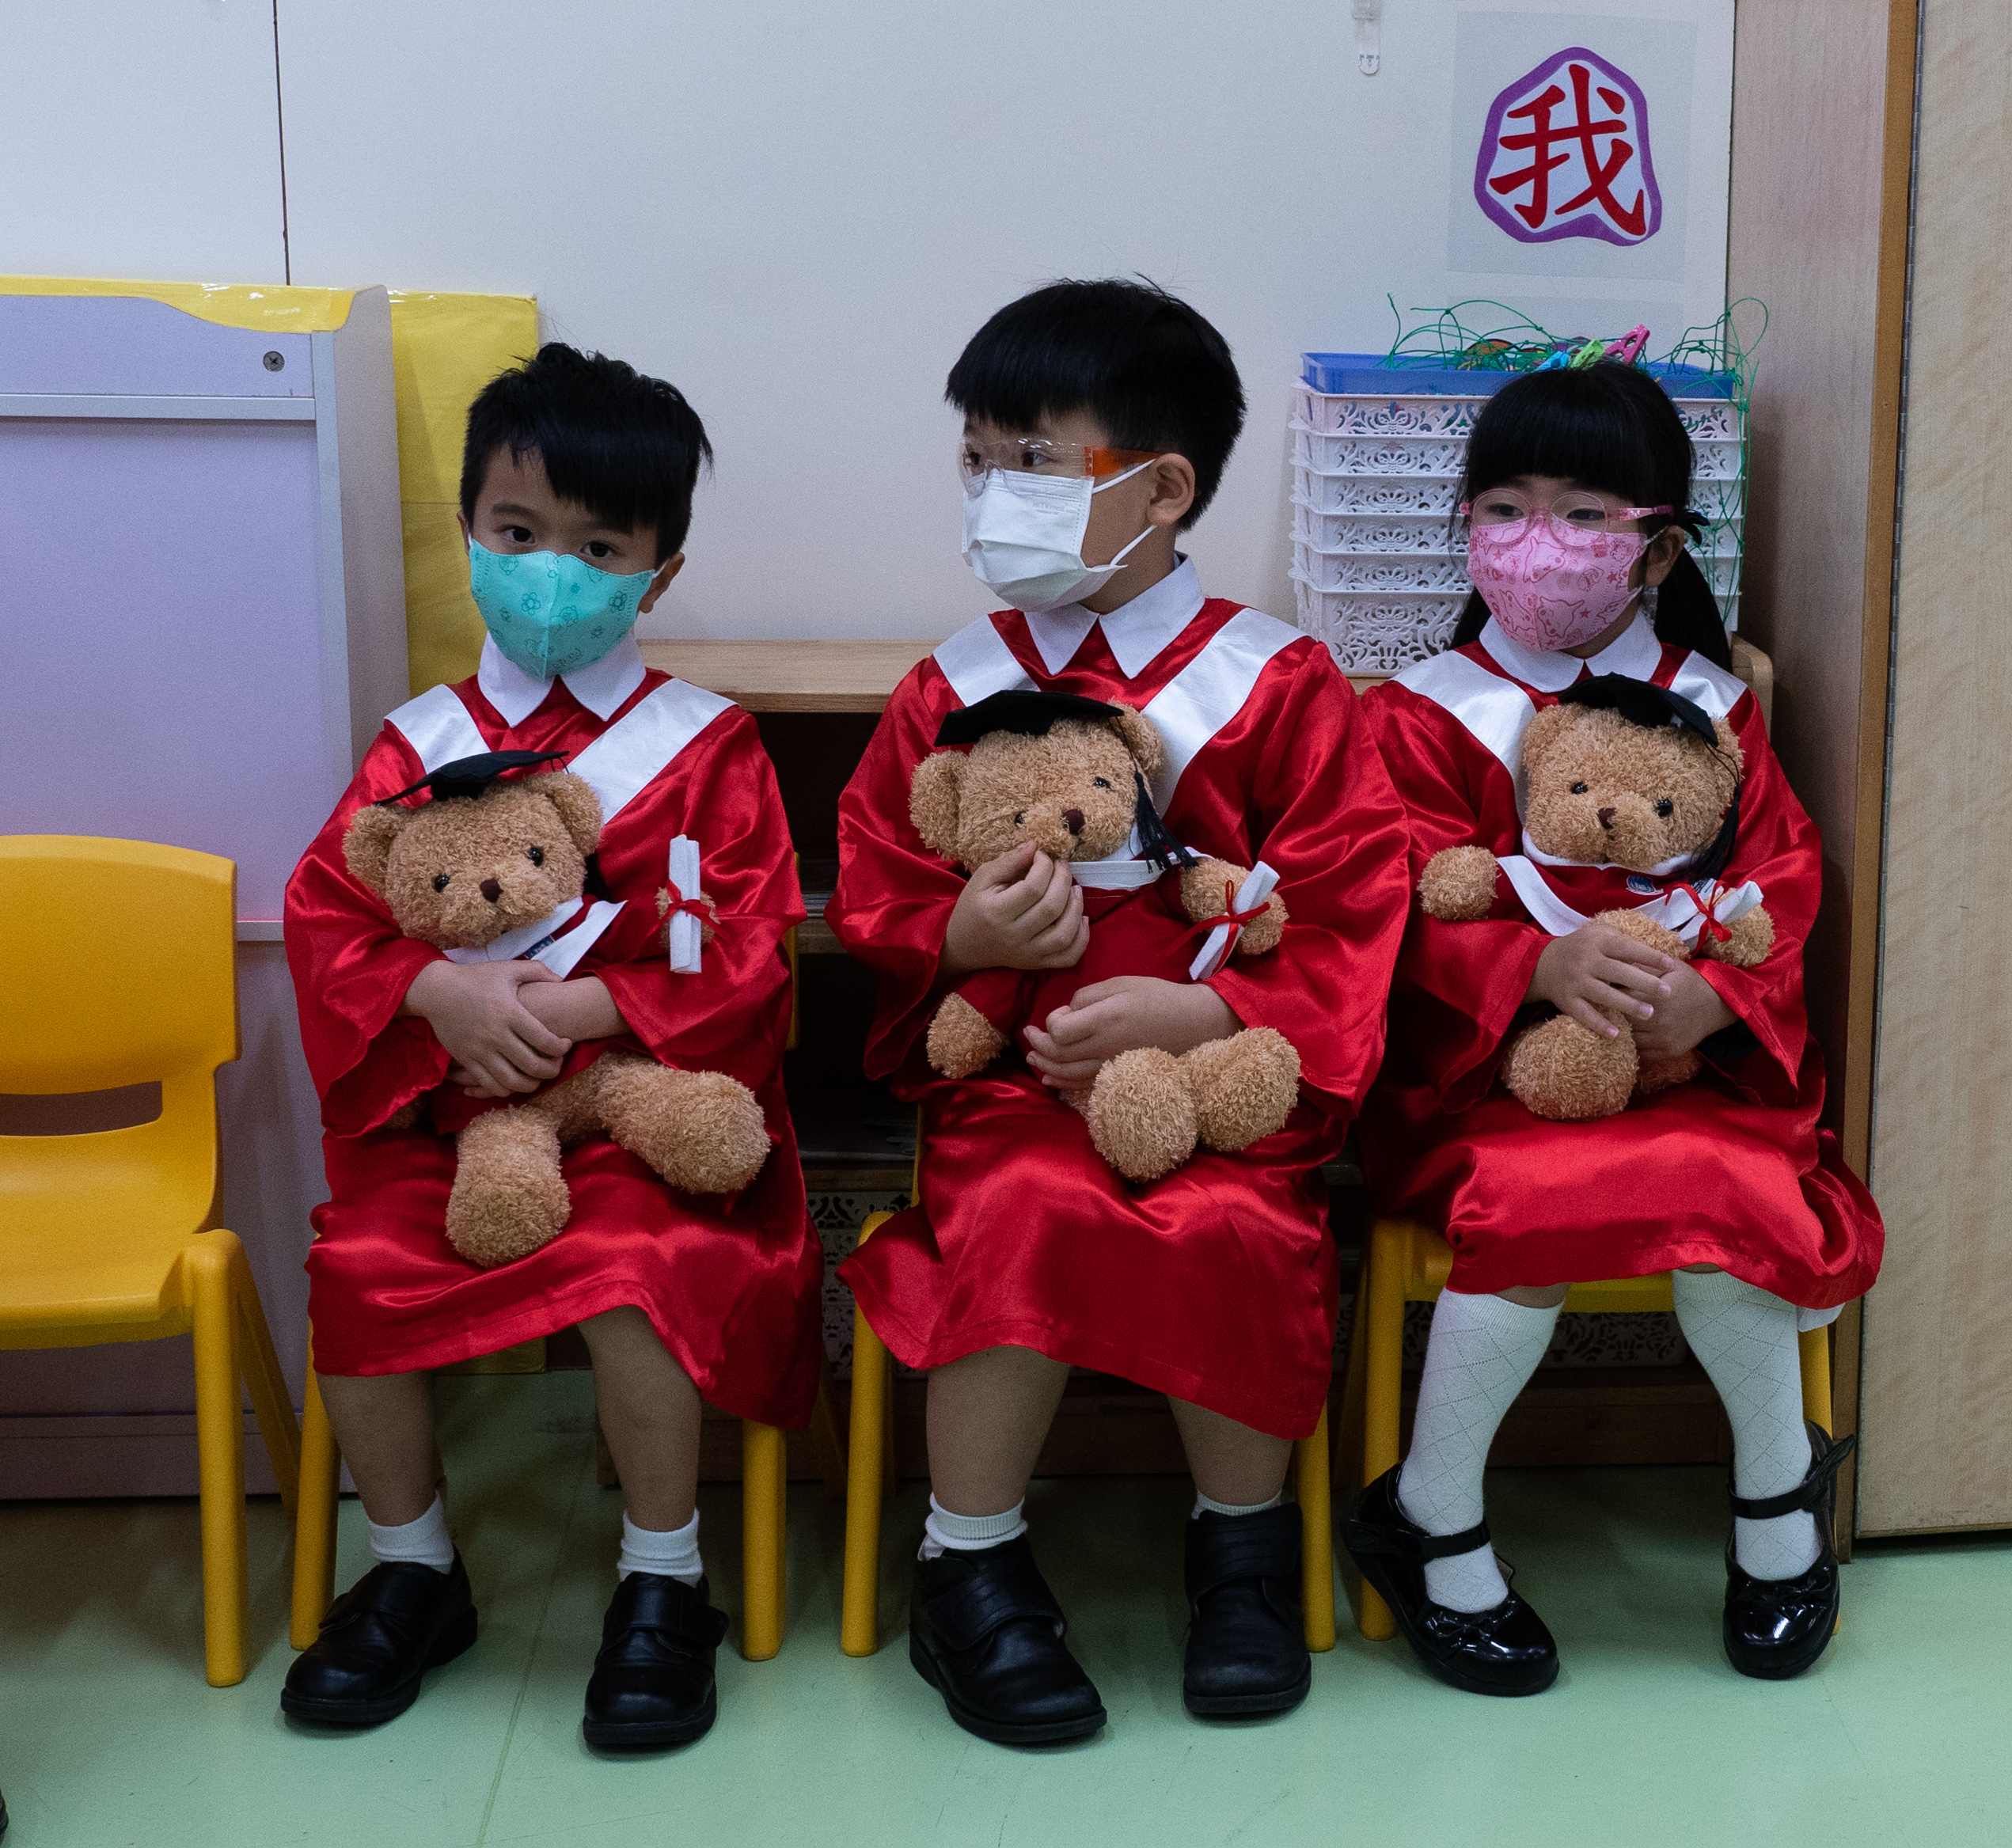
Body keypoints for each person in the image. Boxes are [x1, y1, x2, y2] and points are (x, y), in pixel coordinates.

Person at [831, 279, 1405, 1744]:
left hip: (1218, 1084)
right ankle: (967, 1563)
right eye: (978, 459)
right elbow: (881, 881)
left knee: (1234, 1223)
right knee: (1023, 1203)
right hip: (1014, 1082)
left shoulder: (1278, 684)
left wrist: (1207, 1017)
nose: (993, 492)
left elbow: (1348, 904)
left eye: (1033, 459)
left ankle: (1241, 1551)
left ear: (1163, 488)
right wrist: (958, 934)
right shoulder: (950, 687)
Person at [280, 345, 818, 1749]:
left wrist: (585, 1010)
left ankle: (663, 1579)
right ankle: (413, 1568)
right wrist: (432, 995)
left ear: (658, 572)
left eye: (597, 548)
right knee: (356, 1263)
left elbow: (753, 950)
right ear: (468, 530)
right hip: (442, 1109)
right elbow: (328, 917)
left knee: (638, 1266)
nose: (549, 572)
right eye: (516, 534)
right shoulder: (414, 745)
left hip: (635, 1112)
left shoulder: (707, 750)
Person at [1350, 358, 1885, 1692]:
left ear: (1655, 548)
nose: (1539, 539)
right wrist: (1534, 969)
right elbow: (1395, 902)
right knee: (1531, 1198)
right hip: (1500, 1088)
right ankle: (1430, 1513)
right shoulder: (1418, 713)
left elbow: (1781, 882)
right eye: (1506, 505)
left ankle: (1778, 1500)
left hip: (1691, 1070)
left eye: (1583, 511)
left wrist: (1717, 997)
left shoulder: (1717, 707)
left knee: (1730, 1184)